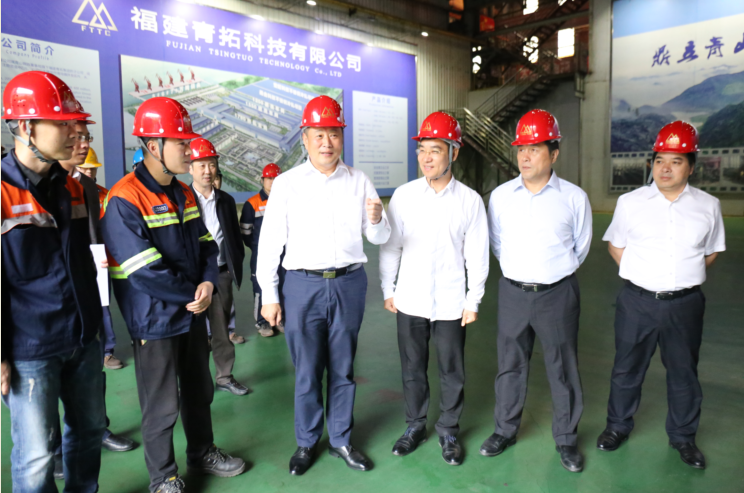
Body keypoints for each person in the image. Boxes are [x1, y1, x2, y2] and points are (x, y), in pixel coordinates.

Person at [102, 97, 246, 493]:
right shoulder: (125, 199)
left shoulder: (183, 194)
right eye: (181, 143)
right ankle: (163, 477)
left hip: (191, 311)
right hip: (155, 320)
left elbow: (206, 245)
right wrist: (193, 293)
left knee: (199, 391)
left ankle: (202, 452)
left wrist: (207, 283)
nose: (189, 150)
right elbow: (144, 271)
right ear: (154, 146)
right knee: (161, 403)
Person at [257, 95, 390, 475]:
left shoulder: (359, 181)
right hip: (302, 286)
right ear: (305, 138)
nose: (327, 142)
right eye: (319, 135)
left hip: (349, 283)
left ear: (342, 137)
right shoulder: (287, 184)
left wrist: (377, 219)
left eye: (333, 134)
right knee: (307, 369)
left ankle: (341, 439)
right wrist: (269, 295)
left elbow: (379, 237)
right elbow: (270, 243)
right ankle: (306, 441)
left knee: (344, 367)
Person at [598, 121, 725, 470]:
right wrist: (645, 277)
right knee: (626, 368)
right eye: (659, 160)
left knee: (684, 372)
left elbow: (711, 252)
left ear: (691, 167)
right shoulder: (630, 202)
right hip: (636, 302)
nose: (665, 168)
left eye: (676, 161)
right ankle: (617, 426)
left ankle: (683, 437)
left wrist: (680, 278)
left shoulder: (708, 206)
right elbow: (616, 246)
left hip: (685, 304)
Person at [1, 70, 106, 492]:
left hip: (82, 337)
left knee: (89, 432)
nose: (73, 133)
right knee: (36, 455)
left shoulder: (75, 188)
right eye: (61, 124)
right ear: (26, 127)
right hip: (29, 349)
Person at [482, 109, 592, 473]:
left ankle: (566, 439)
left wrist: (551, 273)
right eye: (521, 149)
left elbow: (580, 247)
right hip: (513, 292)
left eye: (534, 148)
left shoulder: (574, 198)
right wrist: (521, 273)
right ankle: (504, 430)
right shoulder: (500, 196)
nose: (525, 156)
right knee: (509, 365)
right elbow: (497, 243)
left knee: (563, 367)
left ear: (554, 153)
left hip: (557, 294)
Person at [379, 112, 489, 466]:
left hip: (451, 302)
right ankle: (415, 426)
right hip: (410, 298)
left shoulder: (470, 201)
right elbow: (391, 246)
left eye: (435, 150)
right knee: (412, 368)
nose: (426, 158)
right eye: (422, 150)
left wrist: (473, 299)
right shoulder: (404, 196)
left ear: (454, 152)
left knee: (451, 370)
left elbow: (477, 255)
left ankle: (449, 430)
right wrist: (388, 288)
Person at [188, 137, 248, 396]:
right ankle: (196, 381)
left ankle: (224, 376)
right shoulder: (181, 199)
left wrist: (234, 268)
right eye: (201, 165)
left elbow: (233, 236)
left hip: (220, 274)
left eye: (211, 164)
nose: (207, 171)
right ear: (190, 168)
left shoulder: (225, 200)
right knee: (192, 332)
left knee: (222, 329)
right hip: (192, 278)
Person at [66, 144, 123, 370]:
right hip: (78, 258)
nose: (89, 172)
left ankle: (107, 351)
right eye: (84, 168)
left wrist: (107, 253)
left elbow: (111, 228)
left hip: (101, 259)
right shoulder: (65, 190)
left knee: (103, 305)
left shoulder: (103, 194)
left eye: (92, 168)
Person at [240, 163, 285, 337]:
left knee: (282, 284)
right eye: (269, 178)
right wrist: (257, 247)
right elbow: (246, 232)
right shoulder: (252, 204)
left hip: (284, 253)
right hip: (260, 254)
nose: (272, 182)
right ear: (262, 180)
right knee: (260, 286)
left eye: (276, 178)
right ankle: (262, 322)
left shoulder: (286, 201)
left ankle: (279, 319)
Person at [212, 171, 245, 344]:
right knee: (201, 301)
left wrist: (235, 262)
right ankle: (208, 335)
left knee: (226, 300)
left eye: (217, 178)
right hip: (202, 265)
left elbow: (235, 234)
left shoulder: (226, 201)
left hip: (223, 263)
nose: (214, 181)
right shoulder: (189, 199)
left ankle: (229, 332)